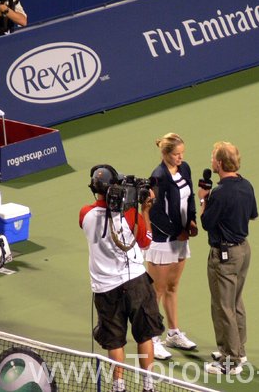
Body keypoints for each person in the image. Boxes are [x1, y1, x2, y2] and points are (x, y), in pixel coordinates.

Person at [79, 164, 164, 392]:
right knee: (144, 335)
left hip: (105, 289)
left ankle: (118, 386)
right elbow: (146, 241)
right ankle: (149, 386)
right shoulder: (129, 213)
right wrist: (144, 210)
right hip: (136, 283)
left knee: (115, 341)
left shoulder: (84, 214)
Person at [198, 142, 258, 375]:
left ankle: (231, 361)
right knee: (235, 302)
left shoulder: (220, 194)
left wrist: (204, 199)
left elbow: (205, 223)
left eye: (213, 158)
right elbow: (252, 215)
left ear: (220, 163)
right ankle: (236, 350)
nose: (212, 161)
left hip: (225, 256)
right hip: (243, 251)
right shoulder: (247, 185)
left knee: (224, 307)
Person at [146, 133, 198, 360]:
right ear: (165, 154)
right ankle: (152, 339)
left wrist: (192, 220)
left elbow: (190, 197)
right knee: (156, 291)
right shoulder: (158, 177)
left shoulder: (185, 168)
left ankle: (174, 333)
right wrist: (177, 231)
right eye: (176, 154)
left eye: (182, 154)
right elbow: (155, 213)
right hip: (163, 240)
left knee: (173, 287)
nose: (180, 158)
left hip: (181, 237)